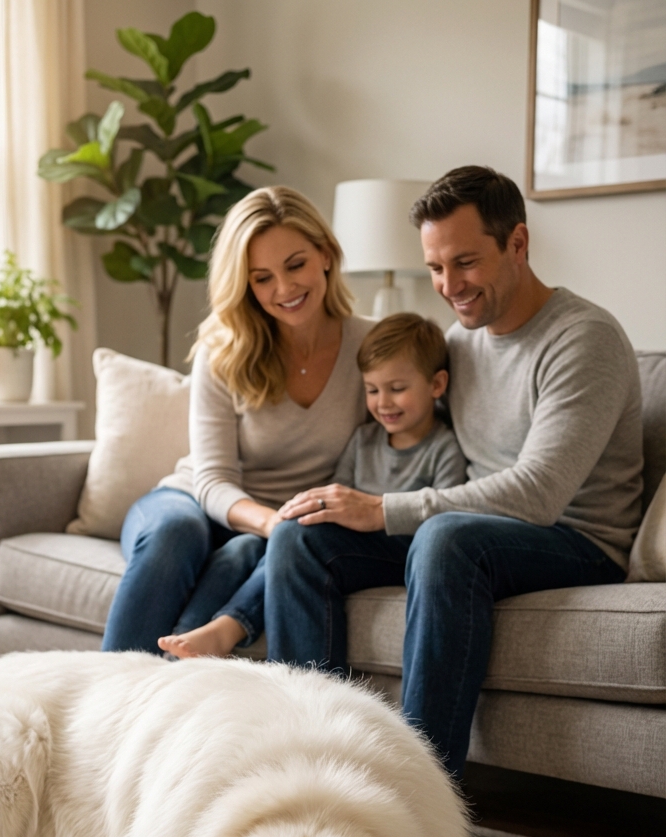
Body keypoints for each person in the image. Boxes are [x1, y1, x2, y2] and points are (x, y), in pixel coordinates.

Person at [268, 165, 643, 780]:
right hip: (476, 536)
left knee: (446, 537)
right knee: (301, 536)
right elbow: (410, 432)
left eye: (464, 263)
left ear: (517, 245)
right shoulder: (458, 344)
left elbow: (538, 494)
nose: (448, 285)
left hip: (575, 542)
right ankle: (309, 770)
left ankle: (419, 795)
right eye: (436, 268)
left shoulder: (584, 339)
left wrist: (383, 509)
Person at [100, 186, 373, 655]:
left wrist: (285, 530)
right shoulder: (225, 348)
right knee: (175, 532)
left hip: (283, 529)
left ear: (325, 254)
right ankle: (105, 691)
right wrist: (273, 523)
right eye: (262, 278)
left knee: (267, 550)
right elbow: (211, 480)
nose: (284, 290)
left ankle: (174, 671)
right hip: (193, 503)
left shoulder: (372, 345)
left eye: (295, 265)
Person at [158, 312, 467, 658]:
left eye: (397, 389)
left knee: (291, 541)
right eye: (371, 390)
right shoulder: (363, 440)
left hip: (398, 551)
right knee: (263, 543)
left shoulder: (445, 449)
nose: (383, 403)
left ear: (437, 386)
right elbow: (336, 496)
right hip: (347, 546)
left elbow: (442, 515)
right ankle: (187, 645)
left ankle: (228, 626)